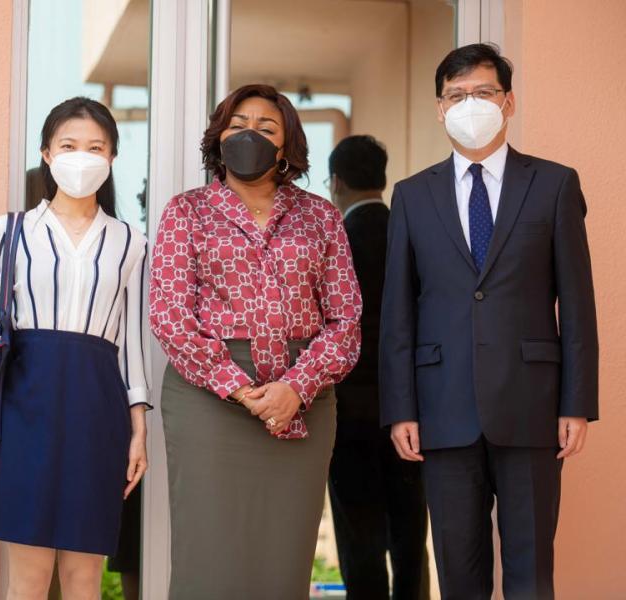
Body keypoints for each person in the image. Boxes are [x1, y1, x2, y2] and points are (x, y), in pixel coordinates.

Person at [380, 44, 598, 600]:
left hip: (532, 406)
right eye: (457, 95)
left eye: (483, 92)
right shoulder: (411, 195)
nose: (469, 105)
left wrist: (576, 402)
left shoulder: (553, 185)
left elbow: (576, 302)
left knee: (530, 575)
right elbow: (399, 312)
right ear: (439, 108)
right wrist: (400, 407)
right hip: (441, 408)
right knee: (459, 575)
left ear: (509, 101)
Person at [149, 83, 362, 599]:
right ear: (219, 137)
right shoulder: (187, 211)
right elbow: (171, 316)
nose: (250, 135)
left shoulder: (322, 216)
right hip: (208, 401)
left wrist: (296, 387)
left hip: (304, 401)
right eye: (238, 124)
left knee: (282, 558)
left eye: (267, 129)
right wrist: (242, 389)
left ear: (286, 147)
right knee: (209, 555)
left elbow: (346, 320)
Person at [0, 96, 151, 600]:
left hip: (98, 412)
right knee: (29, 579)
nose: (82, 157)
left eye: (95, 146)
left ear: (112, 158)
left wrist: (139, 431)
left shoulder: (131, 242)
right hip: (26, 407)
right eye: (69, 145)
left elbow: (131, 346)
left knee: (84, 580)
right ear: (46, 153)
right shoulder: (10, 230)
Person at [326, 135, 428, 600]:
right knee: (409, 535)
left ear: (336, 182)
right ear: (383, 180)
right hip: (412, 409)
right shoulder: (414, 236)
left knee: (359, 538)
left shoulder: (335, 244)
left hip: (348, 413)